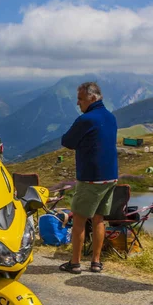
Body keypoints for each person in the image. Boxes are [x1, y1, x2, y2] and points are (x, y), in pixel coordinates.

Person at [59, 82, 118, 274]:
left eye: (81, 99)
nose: (78, 103)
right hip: (110, 176)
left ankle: (75, 263)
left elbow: (67, 141)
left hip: (91, 176)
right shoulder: (111, 117)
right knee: (99, 219)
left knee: (79, 219)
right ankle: (96, 262)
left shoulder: (86, 119)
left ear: (93, 98)